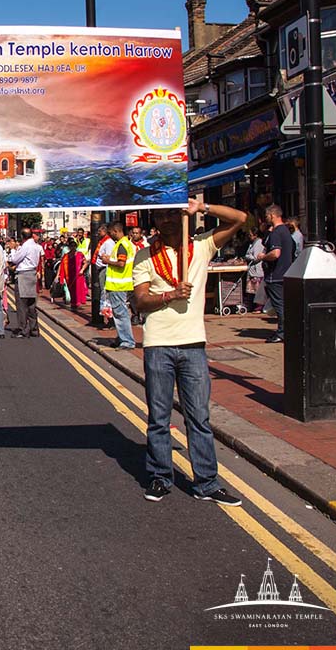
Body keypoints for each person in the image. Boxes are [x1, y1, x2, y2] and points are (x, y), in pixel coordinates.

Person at [133, 200, 246, 506]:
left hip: (194, 345)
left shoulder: (202, 246)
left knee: (198, 418)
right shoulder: (144, 256)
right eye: (162, 215)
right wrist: (169, 295)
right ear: (156, 219)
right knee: (159, 418)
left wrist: (203, 206)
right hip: (158, 345)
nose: (168, 220)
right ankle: (160, 476)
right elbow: (140, 301)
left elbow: (239, 218)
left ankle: (207, 483)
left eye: (173, 213)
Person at [256, 204, 295, 343]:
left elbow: (275, 253)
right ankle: (288, 330)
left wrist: (263, 257)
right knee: (284, 304)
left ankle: (282, 333)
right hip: (286, 272)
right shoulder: (286, 232)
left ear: (272, 215)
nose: (266, 219)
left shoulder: (277, 233)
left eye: (266, 216)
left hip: (276, 274)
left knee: (280, 305)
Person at [104, 222, 137, 350]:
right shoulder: (126, 244)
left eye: (111, 232)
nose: (110, 235)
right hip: (123, 283)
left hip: (118, 284)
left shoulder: (122, 245)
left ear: (115, 231)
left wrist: (107, 261)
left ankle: (127, 341)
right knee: (119, 313)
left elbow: (121, 264)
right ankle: (121, 337)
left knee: (120, 313)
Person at [8, 229, 42, 337]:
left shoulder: (26, 246)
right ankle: (34, 329)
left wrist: (13, 250)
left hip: (23, 275)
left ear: (22, 236)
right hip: (32, 274)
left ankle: (23, 329)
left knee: (22, 304)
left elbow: (15, 259)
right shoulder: (36, 246)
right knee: (31, 304)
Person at [243, 226, 267, 313]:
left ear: (255, 235)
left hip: (257, 270)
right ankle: (252, 305)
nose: (249, 236)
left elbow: (256, 257)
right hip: (252, 270)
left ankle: (259, 307)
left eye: (250, 235)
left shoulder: (259, 243)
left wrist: (247, 256)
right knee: (251, 290)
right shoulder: (252, 243)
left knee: (257, 290)